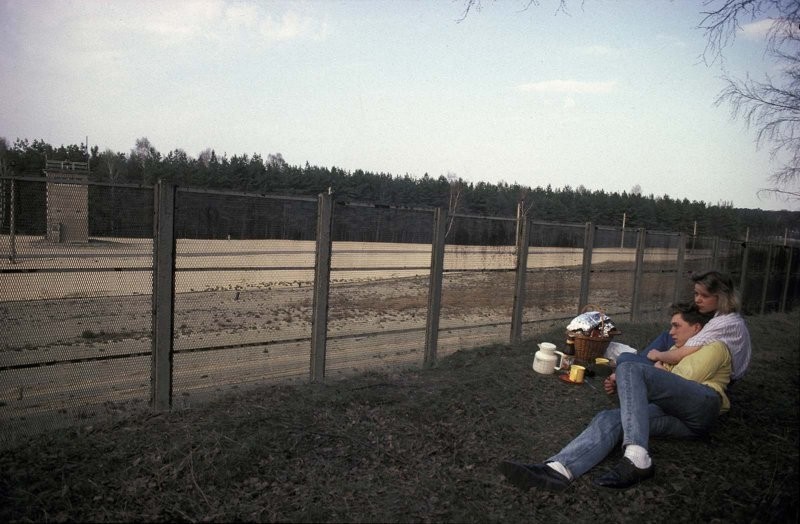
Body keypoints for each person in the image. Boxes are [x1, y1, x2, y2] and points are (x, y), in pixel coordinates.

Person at [499, 302, 731, 492]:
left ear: (697, 328)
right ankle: (559, 470)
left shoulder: (714, 346)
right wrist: (626, 387)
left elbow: (685, 381)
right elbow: (644, 404)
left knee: (629, 365)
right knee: (608, 418)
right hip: (676, 418)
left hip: (704, 406)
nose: (671, 332)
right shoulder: (674, 355)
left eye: (676, 326)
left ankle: (638, 459)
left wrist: (653, 368)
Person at [616, 270, 751, 382]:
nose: (698, 299)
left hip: (718, 377)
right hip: (713, 365)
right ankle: (634, 368)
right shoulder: (726, 316)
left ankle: (631, 371)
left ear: (722, 297)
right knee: (665, 337)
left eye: (705, 296)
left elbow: (679, 355)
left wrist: (657, 355)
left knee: (625, 359)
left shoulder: (722, 323)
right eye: (696, 293)